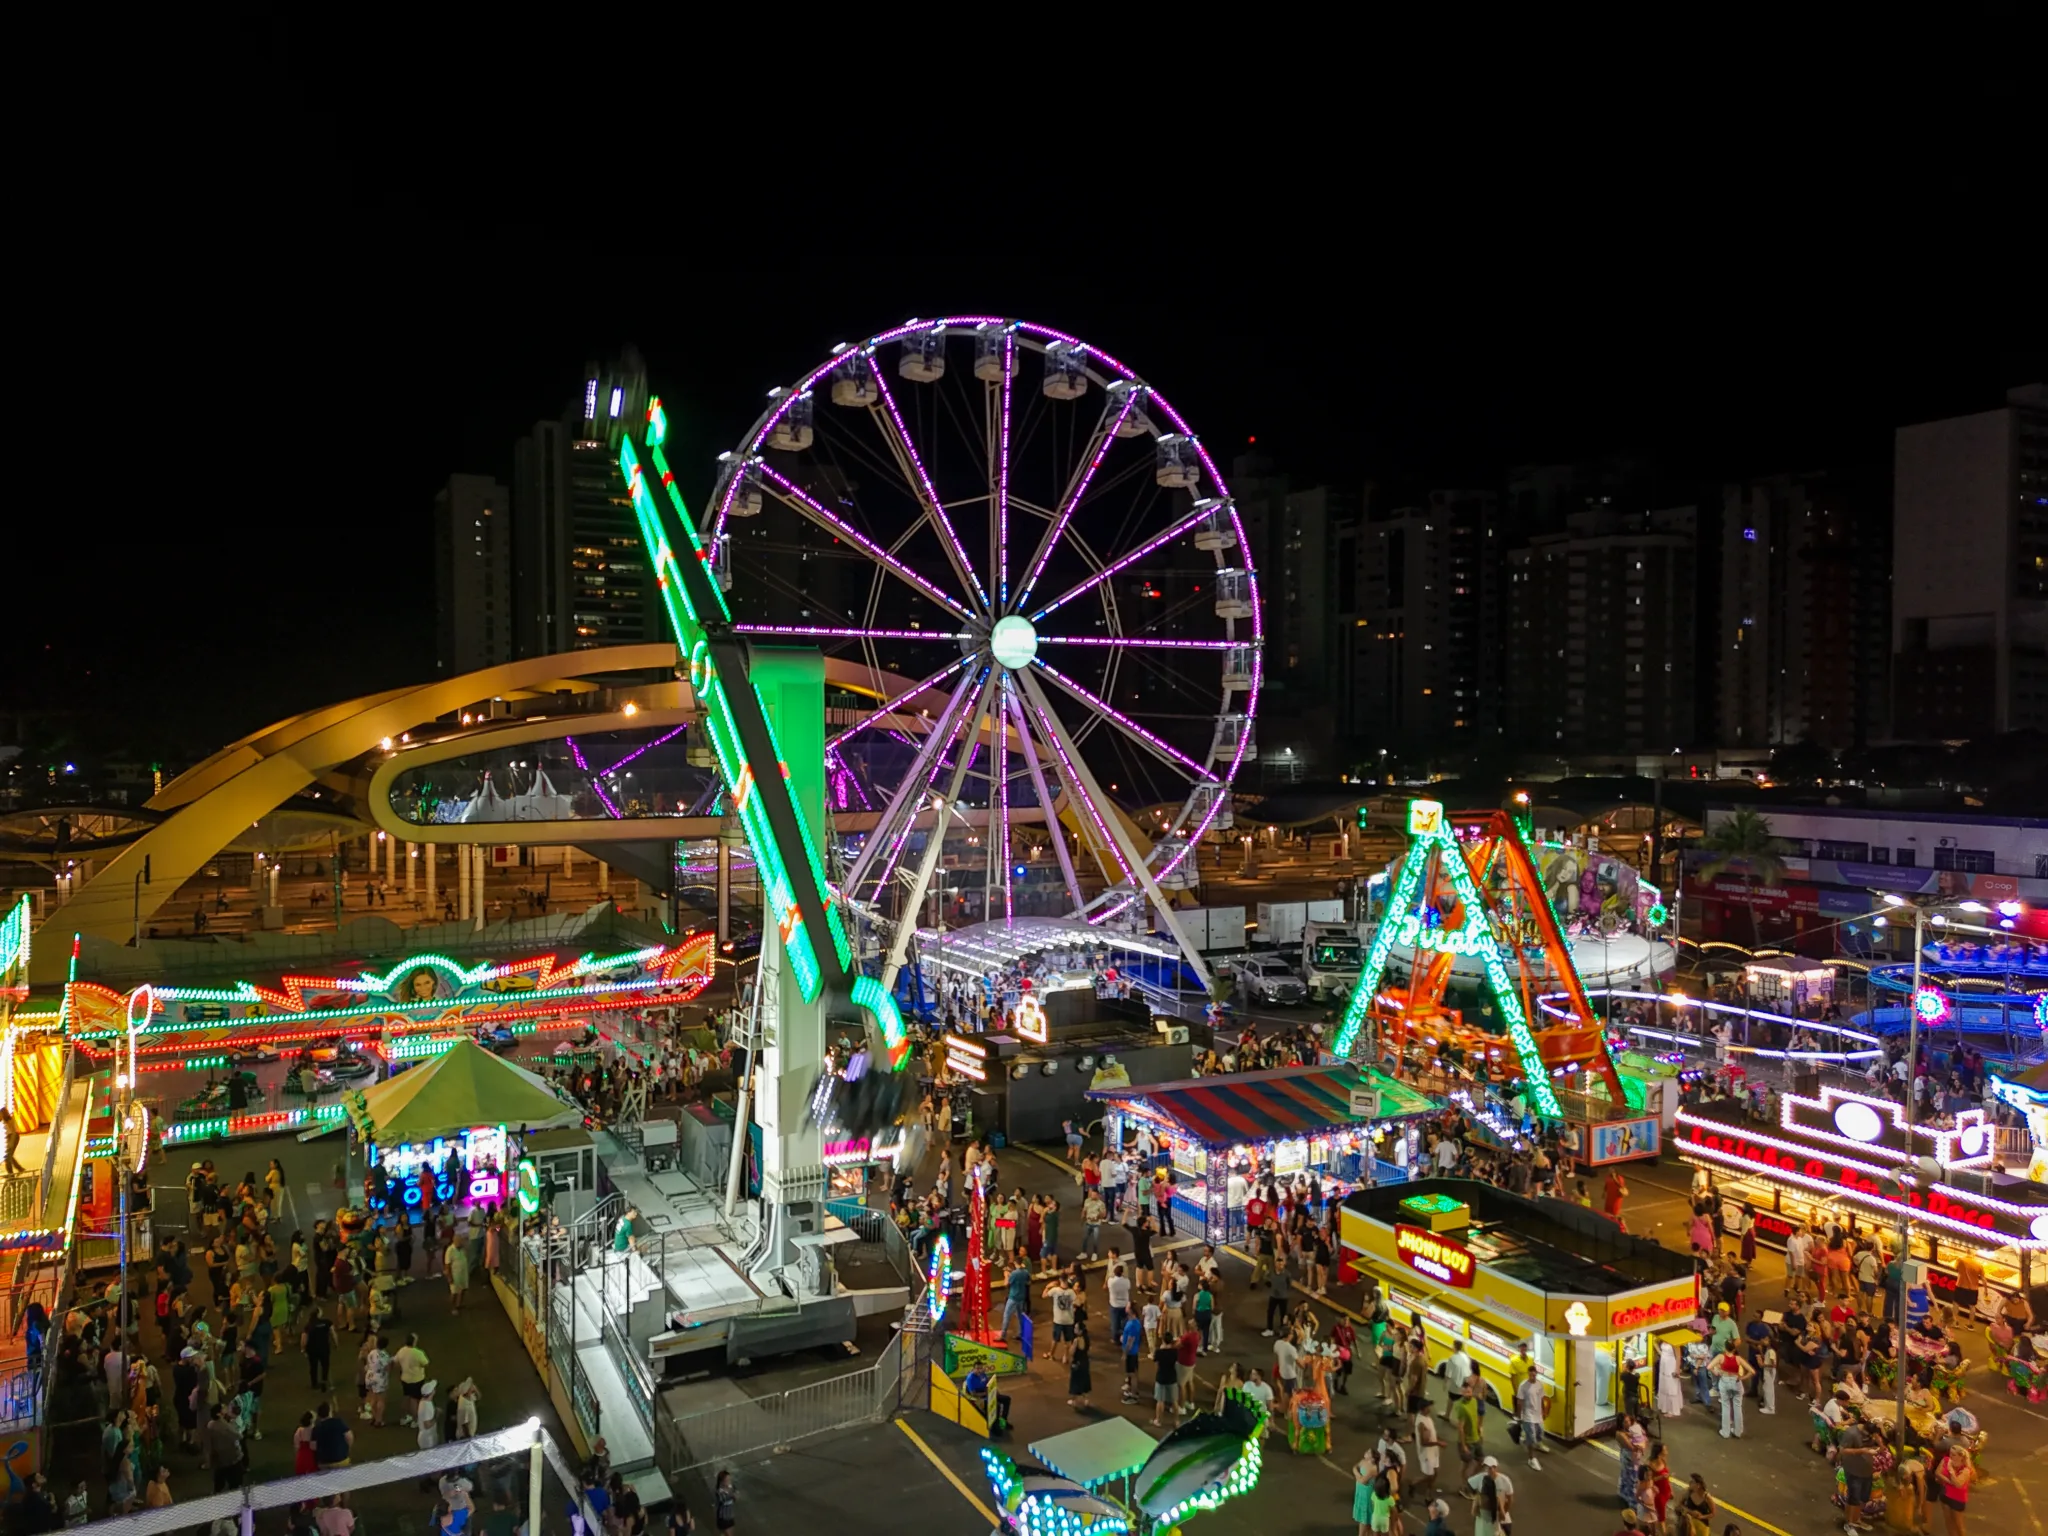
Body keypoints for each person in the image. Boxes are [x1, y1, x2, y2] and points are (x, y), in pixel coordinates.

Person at [1933, 1444, 1974, 1536]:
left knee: (1959, 1525)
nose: (1951, 1457)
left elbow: (1958, 1484)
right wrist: (1949, 1481)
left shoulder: (1965, 1470)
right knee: (1948, 1522)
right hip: (1945, 1494)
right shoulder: (1946, 1460)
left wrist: (1951, 1471)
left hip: (1957, 1499)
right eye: (1950, 1454)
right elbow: (1937, 1473)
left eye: (1954, 1455)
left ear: (1961, 1457)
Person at [1468, 1456, 1513, 1536]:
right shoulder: (1496, 1500)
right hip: (1494, 1521)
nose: (1488, 1470)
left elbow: (1510, 1499)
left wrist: (1504, 1512)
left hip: (1488, 1523)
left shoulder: (1504, 1480)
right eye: (1486, 1467)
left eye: (1490, 1468)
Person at [391, 1333, 429, 1426]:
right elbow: (425, 1363)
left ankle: (405, 1417)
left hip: (405, 1378)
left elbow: (395, 1361)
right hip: (416, 1379)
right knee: (414, 1400)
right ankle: (415, 1420)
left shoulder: (402, 1351)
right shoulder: (417, 1352)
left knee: (406, 1397)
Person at [1151, 1332, 1180, 1427]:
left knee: (1160, 1400)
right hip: (1172, 1377)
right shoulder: (1175, 1352)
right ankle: (1176, 1421)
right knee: (1174, 1401)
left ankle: (1158, 1420)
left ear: (1163, 1340)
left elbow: (1156, 1365)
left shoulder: (1159, 1352)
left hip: (1161, 1378)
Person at [1067, 1326, 1092, 1410]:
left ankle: (1074, 1401)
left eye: (1076, 1328)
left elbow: (1071, 1352)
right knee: (1085, 1380)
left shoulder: (1076, 1340)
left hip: (1077, 1363)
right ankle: (1086, 1400)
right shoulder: (1087, 1338)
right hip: (1085, 1362)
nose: (1074, 1329)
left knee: (1075, 1382)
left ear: (1080, 1331)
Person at [713, 1470, 736, 1534]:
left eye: (729, 1479)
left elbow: (735, 1497)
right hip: (723, 1517)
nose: (729, 1481)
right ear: (721, 1481)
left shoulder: (731, 1487)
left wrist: (734, 1496)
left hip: (730, 1515)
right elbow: (723, 1500)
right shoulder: (719, 1491)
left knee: (730, 1533)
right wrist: (732, 1495)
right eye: (727, 1480)